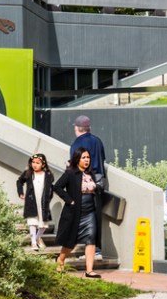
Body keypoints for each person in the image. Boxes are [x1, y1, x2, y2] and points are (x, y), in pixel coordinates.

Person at [53, 147, 105, 278]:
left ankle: (89, 270)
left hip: (91, 211)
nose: (87, 160)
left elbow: (95, 189)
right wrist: (69, 200)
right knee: (72, 241)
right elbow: (57, 187)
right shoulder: (70, 173)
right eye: (84, 158)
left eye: (88, 158)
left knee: (91, 238)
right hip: (75, 212)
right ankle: (61, 259)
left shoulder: (91, 174)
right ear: (77, 159)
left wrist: (98, 187)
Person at [69, 114, 107, 259]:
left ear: (77, 128)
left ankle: (91, 250)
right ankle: (96, 249)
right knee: (95, 214)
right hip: (99, 180)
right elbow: (102, 159)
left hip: (85, 182)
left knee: (85, 215)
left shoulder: (77, 143)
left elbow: (75, 164)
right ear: (89, 127)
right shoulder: (97, 141)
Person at [16, 153, 54, 250]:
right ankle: (33, 243)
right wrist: (20, 192)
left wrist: (49, 197)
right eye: (33, 162)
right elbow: (19, 181)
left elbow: (50, 187)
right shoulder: (28, 173)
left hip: (43, 203)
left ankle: (37, 238)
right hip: (31, 201)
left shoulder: (48, 175)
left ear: (43, 164)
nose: (35, 165)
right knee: (32, 222)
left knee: (43, 224)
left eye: (38, 163)